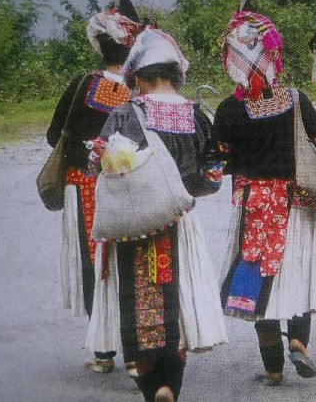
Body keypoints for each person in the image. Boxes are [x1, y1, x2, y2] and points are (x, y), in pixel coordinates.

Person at [89, 26, 227, 402]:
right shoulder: (197, 117)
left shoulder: (123, 114)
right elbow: (212, 179)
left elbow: (96, 165)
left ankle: (152, 387)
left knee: (139, 302)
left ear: (138, 78)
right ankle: (170, 384)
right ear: (175, 75)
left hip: (132, 225)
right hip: (179, 223)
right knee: (178, 301)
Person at [215, 6, 316, 386]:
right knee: (296, 276)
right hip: (295, 203)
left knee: (257, 284)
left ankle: (272, 368)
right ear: (274, 56)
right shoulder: (297, 100)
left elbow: (217, 161)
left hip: (253, 206)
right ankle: (299, 342)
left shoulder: (230, 109)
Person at [46, 0, 141, 373]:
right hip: (134, 188)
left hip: (85, 186)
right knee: (133, 264)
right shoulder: (144, 88)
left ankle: (103, 353)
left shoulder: (82, 85)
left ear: (99, 44)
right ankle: (137, 355)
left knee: (94, 264)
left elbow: (56, 136)